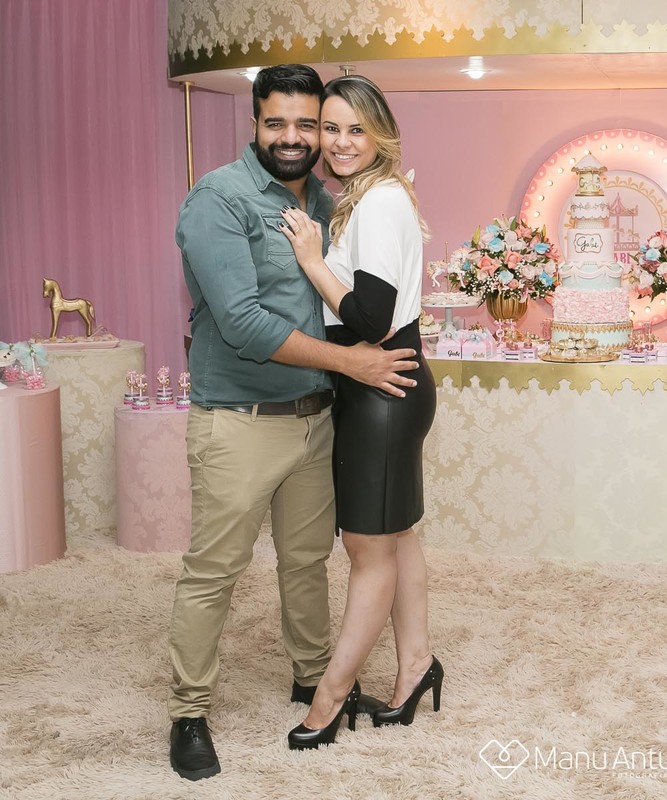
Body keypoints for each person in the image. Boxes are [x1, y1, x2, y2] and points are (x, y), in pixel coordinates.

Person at [168, 64, 421, 781]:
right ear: (254, 122)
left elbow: (355, 298)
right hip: (240, 419)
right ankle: (189, 711)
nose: (294, 137)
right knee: (214, 572)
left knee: (307, 563)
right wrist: (353, 364)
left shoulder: (331, 199)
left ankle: (311, 678)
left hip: (317, 417)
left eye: (307, 124)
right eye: (276, 121)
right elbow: (243, 323)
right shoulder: (218, 199)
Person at [277, 74, 442, 751]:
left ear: (380, 135)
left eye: (355, 129)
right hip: (385, 385)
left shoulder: (376, 203)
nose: (341, 142)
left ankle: (331, 697)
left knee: (367, 551)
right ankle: (416, 666)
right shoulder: (373, 196)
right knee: (397, 538)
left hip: (381, 389)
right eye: (330, 128)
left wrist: (312, 261)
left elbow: (371, 319)